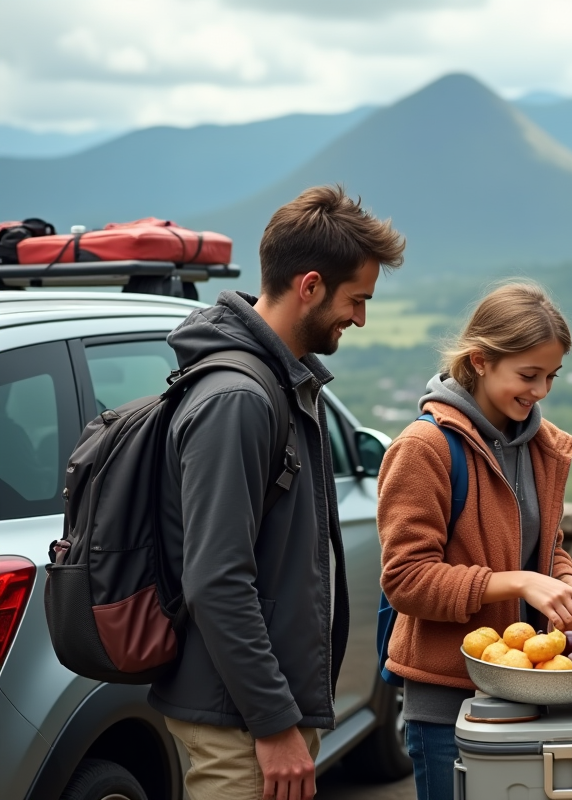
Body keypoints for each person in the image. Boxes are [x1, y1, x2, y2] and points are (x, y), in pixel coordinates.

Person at [152, 186, 404, 800]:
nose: (361, 319)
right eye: (357, 300)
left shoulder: (275, 385)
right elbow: (217, 579)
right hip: (240, 722)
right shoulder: (237, 400)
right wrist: (274, 723)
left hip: (257, 715)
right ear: (310, 285)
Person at [377, 283, 572, 800]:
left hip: (530, 689)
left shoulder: (542, 447)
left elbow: (542, 546)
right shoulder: (424, 448)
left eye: (551, 376)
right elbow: (406, 581)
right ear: (479, 360)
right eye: (529, 375)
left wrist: (565, 582)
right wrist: (521, 583)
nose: (542, 390)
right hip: (448, 704)